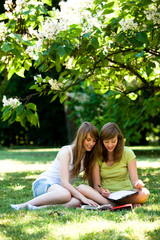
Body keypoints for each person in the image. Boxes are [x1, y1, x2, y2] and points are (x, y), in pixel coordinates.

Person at [11, 122, 100, 210]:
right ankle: (22, 206)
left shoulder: (88, 157)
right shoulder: (66, 151)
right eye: (88, 140)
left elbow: (92, 185)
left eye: (94, 141)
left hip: (61, 191)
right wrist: (82, 196)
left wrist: (95, 194)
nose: (91, 143)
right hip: (44, 184)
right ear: (81, 138)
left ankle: (39, 208)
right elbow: (65, 182)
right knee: (66, 195)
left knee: (77, 201)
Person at [77, 122, 150, 206]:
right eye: (106, 141)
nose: (110, 145)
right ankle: (119, 204)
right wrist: (102, 191)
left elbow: (135, 181)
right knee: (81, 188)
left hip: (126, 193)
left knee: (145, 193)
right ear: (102, 141)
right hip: (106, 196)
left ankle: (115, 204)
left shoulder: (128, 153)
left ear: (118, 139)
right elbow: (97, 185)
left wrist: (138, 184)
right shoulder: (97, 156)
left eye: (113, 141)